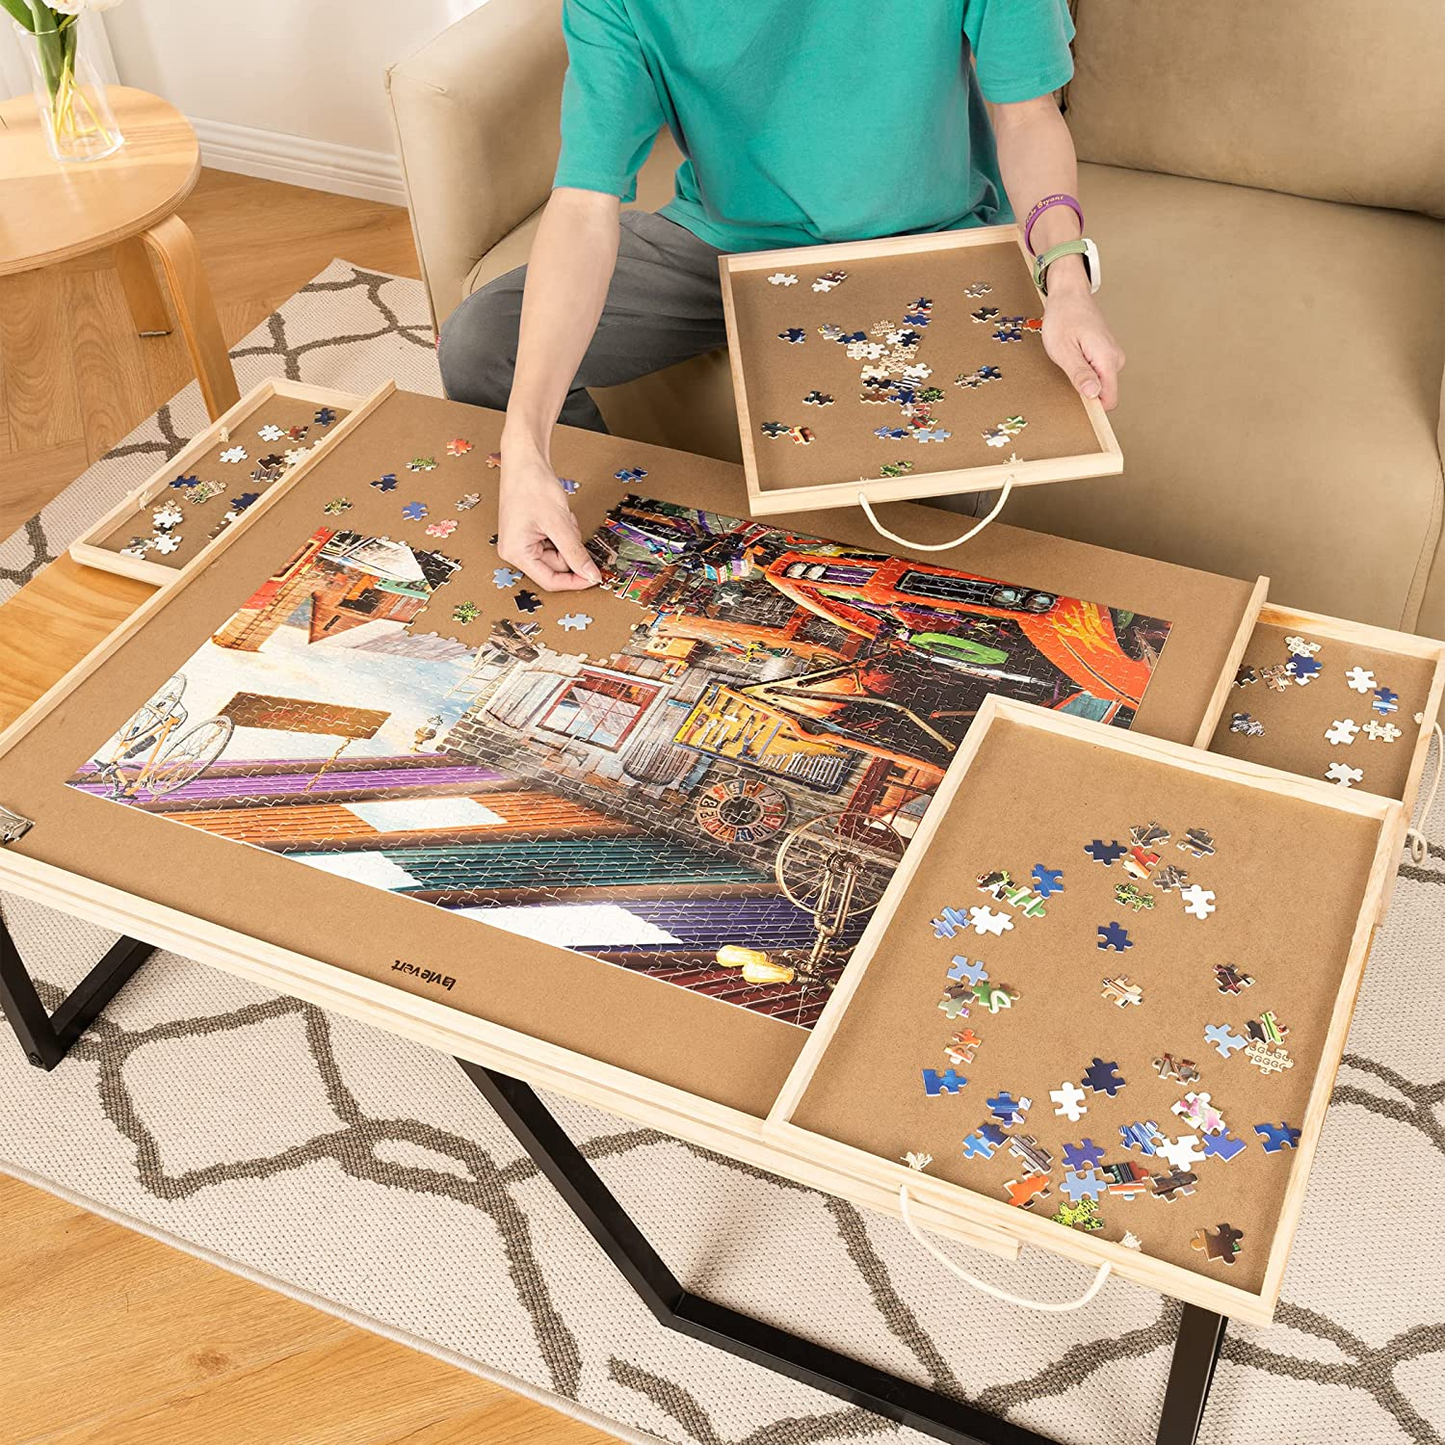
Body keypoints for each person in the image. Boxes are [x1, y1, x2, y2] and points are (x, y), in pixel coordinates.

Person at [438, 0, 1124, 593]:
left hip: (926, 245)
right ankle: (616, 541)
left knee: (929, 509)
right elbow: (584, 203)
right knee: (482, 342)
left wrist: (1064, 277)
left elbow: (1027, 118)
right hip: (721, 242)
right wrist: (526, 450)